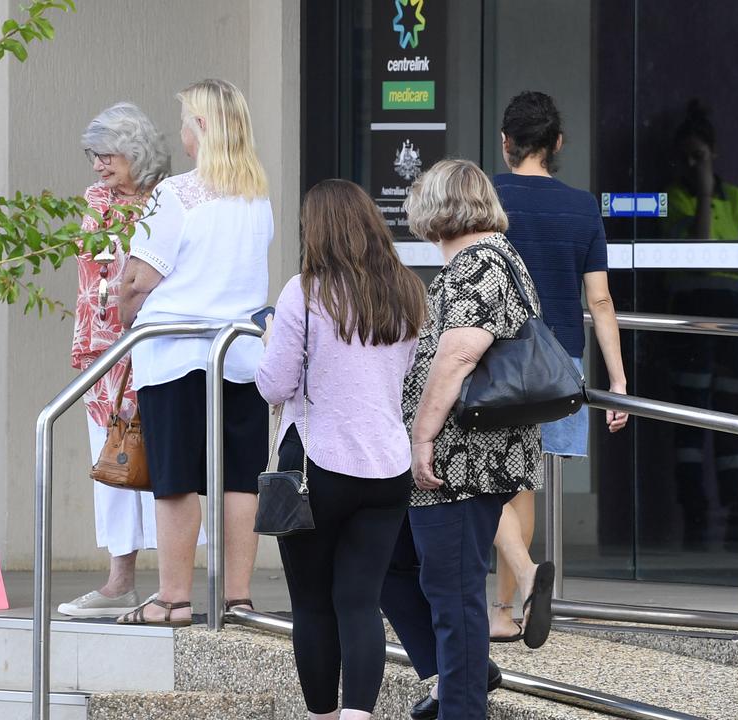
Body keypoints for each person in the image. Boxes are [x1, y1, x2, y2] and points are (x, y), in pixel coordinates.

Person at [380, 159, 545, 720]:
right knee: (389, 561)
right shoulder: (492, 260)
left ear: (442, 208)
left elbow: (459, 353)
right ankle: (461, 674)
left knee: (455, 599)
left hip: (461, 459)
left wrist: (423, 436)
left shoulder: (480, 264)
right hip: (460, 458)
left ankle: (463, 702)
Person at [256, 180, 426, 720]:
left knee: (311, 603)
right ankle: (358, 715)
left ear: (317, 230)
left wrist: (267, 345)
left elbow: (273, 386)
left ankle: (324, 716)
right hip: (387, 466)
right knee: (360, 602)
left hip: (315, 466)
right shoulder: (407, 291)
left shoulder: (303, 292)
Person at [115, 78, 272, 626]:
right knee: (238, 478)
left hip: (175, 350)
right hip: (240, 355)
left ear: (201, 128)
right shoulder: (257, 196)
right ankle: (238, 598)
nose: (180, 129)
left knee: (176, 477)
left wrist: (124, 305)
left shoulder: (174, 194)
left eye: (185, 120)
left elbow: (139, 279)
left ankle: (174, 598)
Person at [489, 91, 627, 644]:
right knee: (525, 480)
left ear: (507, 143)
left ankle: (505, 606)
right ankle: (513, 601)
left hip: (494, 355)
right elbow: (600, 302)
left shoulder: (489, 197)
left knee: (497, 480)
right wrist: (615, 382)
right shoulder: (582, 207)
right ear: (557, 144)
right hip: (558, 360)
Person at [57, 103, 172, 618]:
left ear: (137, 154)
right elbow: (91, 278)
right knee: (113, 460)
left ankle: (174, 584)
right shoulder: (97, 200)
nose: (99, 165)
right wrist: (86, 342)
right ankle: (118, 580)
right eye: (94, 155)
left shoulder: (168, 200)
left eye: (109, 155)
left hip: (152, 342)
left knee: (164, 457)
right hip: (102, 347)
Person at [662, 99, 738, 550]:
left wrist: (712, 192)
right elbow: (697, 246)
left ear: (714, 153)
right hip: (694, 306)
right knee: (692, 414)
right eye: (686, 158)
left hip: (733, 310)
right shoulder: (677, 197)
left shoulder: (736, 199)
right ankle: (696, 518)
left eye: (700, 156)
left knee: (734, 413)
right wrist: (700, 192)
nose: (692, 165)